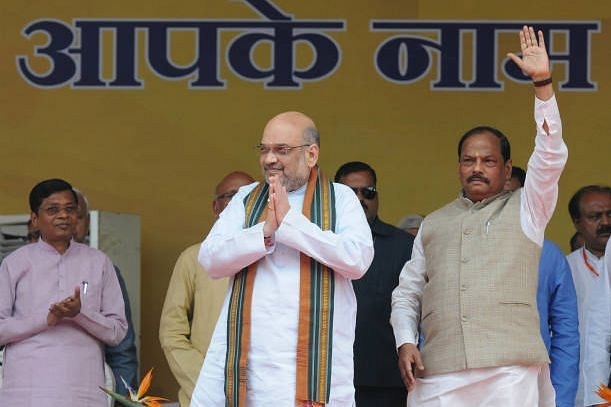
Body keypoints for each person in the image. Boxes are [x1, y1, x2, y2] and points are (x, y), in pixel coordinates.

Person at [390, 25, 567, 406]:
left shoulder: (529, 208)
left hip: (508, 367)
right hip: (438, 369)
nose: (477, 168)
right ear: (458, 167)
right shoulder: (434, 222)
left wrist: (543, 85)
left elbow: (551, 155)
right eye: (469, 160)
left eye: (488, 161)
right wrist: (405, 339)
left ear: (507, 169)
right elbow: (408, 292)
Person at [190, 111, 374, 407]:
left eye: (282, 150)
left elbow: (357, 259)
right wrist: (264, 232)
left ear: (311, 154)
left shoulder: (341, 199)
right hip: (247, 369)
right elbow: (210, 259)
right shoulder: (246, 198)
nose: (269, 159)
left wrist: (291, 225)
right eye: (264, 149)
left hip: (315, 368)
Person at [0, 178, 127, 406]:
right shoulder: (14, 264)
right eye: (53, 210)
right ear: (35, 219)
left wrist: (80, 314)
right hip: (26, 394)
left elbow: (117, 332)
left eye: (70, 209)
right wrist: (46, 318)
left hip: (83, 393)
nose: (63, 216)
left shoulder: (99, 263)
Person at [159, 170, 255, 406]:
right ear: (216, 208)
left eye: (250, 194)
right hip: (204, 393)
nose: (240, 201)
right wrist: (205, 382)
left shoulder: (277, 257)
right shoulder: (194, 258)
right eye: (231, 195)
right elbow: (171, 331)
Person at [334, 161, 414, 406]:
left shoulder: (403, 245)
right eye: (351, 193)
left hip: (385, 379)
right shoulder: (320, 243)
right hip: (330, 375)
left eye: (367, 192)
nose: (360, 199)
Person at [506, 166, 579, 407]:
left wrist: (562, 399)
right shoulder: (457, 249)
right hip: (466, 388)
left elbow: (565, 335)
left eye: (513, 197)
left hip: (531, 389)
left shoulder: (548, 255)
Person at [73, 188, 139, 398]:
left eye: (78, 215)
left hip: (90, 391)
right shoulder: (17, 268)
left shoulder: (104, 269)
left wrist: (123, 399)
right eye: (57, 213)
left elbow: (122, 350)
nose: (68, 221)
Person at [565, 184, 611, 406]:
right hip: (583, 382)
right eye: (595, 216)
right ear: (577, 223)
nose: (606, 222)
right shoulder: (565, 268)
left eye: (610, 214)